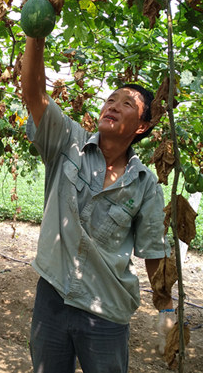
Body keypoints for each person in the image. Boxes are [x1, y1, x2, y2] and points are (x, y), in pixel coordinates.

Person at [21, 35, 174, 373]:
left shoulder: (146, 184)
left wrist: (165, 307)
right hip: (53, 295)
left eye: (126, 104)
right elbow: (34, 94)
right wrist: (37, 33)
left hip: (106, 308)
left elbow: (153, 251)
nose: (113, 106)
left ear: (143, 126)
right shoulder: (67, 142)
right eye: (110, 100)